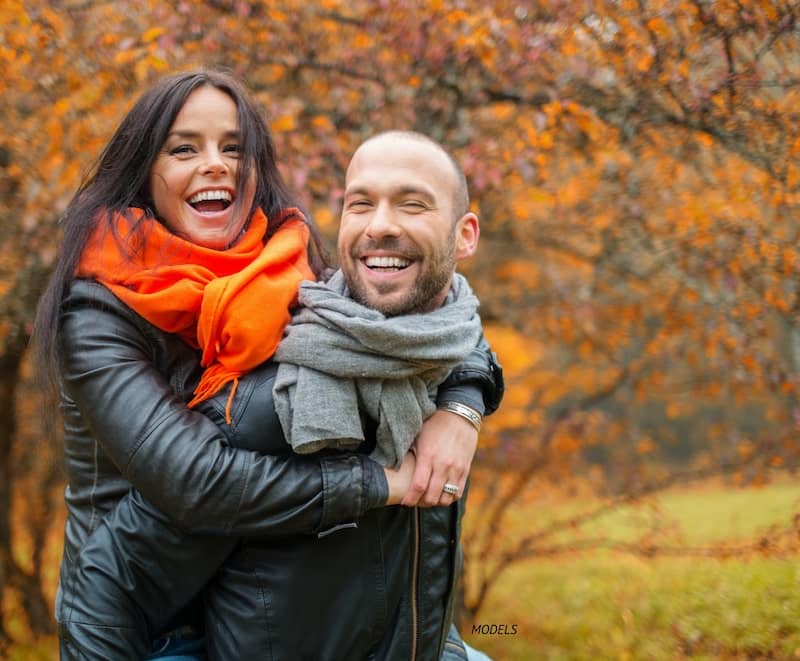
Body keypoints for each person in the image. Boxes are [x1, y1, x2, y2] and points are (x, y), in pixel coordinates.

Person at [33, 69, 502, 660]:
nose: (216, 164)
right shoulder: (99, 309)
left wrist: (462, 404)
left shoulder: (286, 266)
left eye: (235, 148)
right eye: (185, 148)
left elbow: (414, 328)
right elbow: (194, 480)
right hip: (149, 617)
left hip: (254, 602)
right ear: (144, 170)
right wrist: (382, 484)